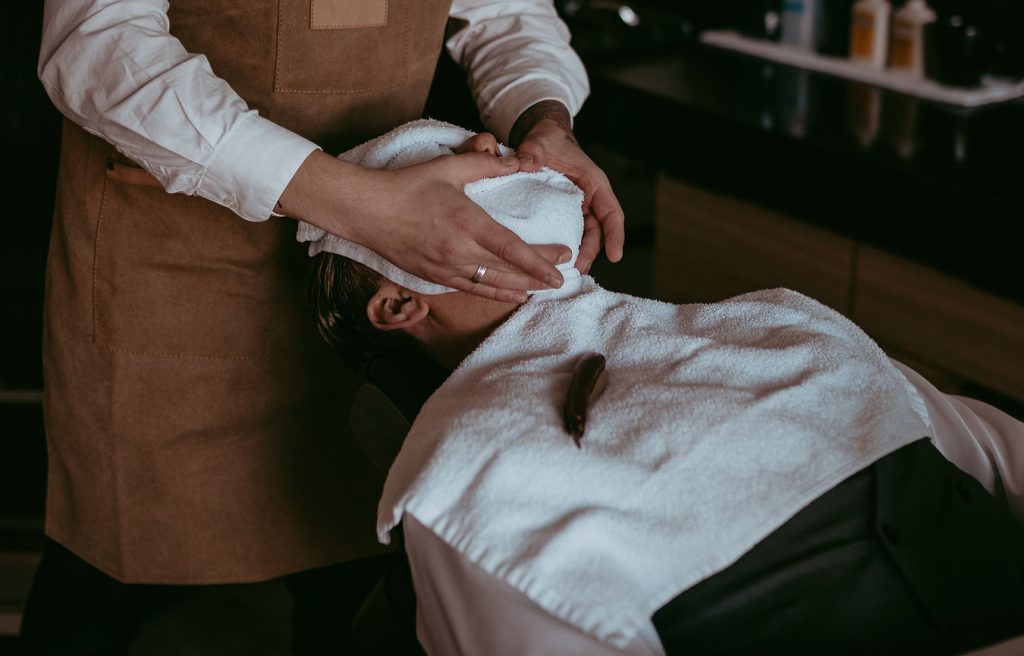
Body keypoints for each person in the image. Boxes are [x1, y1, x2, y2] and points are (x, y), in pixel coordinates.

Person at [21, 1, 624, 654]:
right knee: (103, 571)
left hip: (384, 258)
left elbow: (511, 15)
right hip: (171, 259)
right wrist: (362, 208)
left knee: (348, 569)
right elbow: (98, 45)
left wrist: (544, 118)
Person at [306, 120, 1024, 655]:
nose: (492, 141)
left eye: (479, 141)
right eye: (446, 161)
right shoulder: (470, 486)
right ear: (400, 305)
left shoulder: (776, 320)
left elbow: (1003, 459)